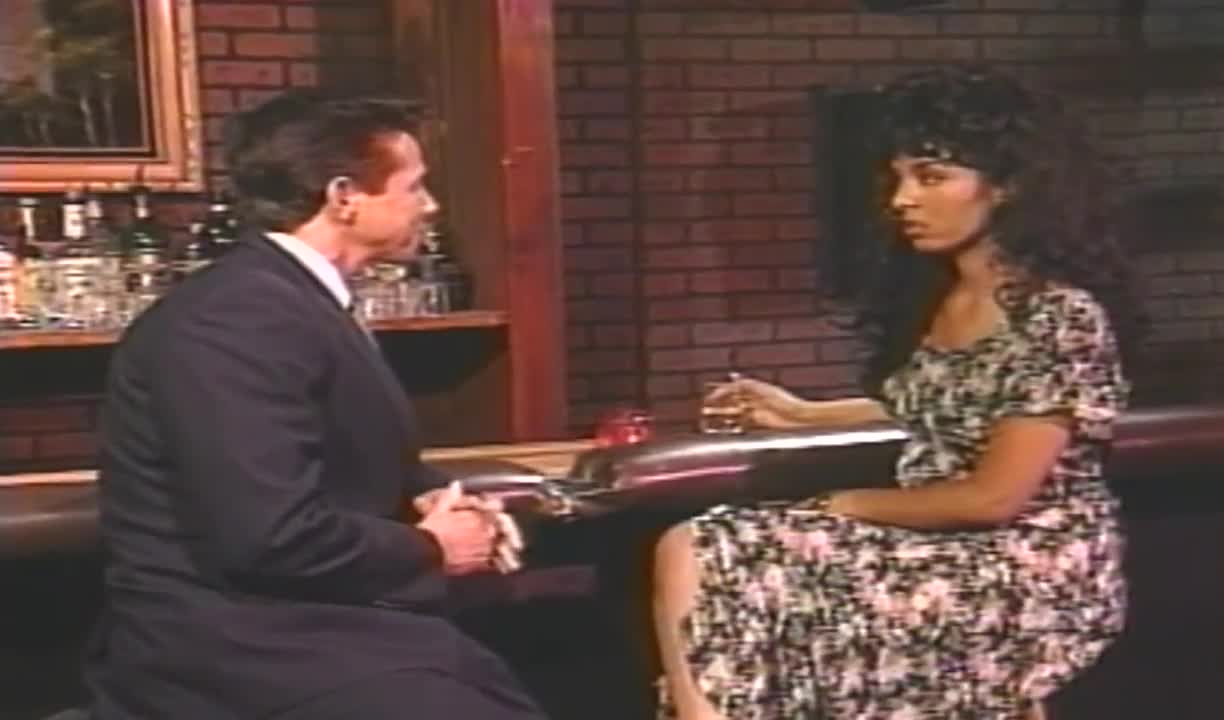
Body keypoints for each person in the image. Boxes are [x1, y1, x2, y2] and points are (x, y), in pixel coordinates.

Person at [652, 65, 1146, 720]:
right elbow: (943, 409)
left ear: (1006, 186)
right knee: (705, 552)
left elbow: (992, 497)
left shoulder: (1059, 316)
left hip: (1028, 565)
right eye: (898, 178)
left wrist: (841, 506)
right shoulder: (943, 298)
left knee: (710, 550)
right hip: (936, 544)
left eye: (931, 177)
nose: (902, 200)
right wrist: (800, 413)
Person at [86, 91, 545, 719]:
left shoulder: (293, 300)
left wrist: (435, 497)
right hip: (238, 646)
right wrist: (432, 548)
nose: (431, 205)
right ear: (343, 197)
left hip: (320, 627)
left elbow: (344, 458)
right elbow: (269, 534)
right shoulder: (234, 320)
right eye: (414, 186)